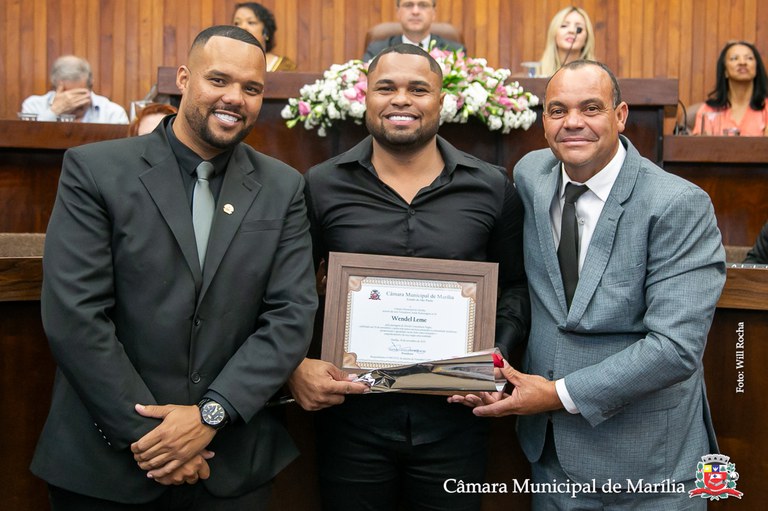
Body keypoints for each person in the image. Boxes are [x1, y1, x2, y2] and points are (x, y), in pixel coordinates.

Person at [31, 25, 317, 510]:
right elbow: (75, 315)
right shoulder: (94, 170)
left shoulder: (283, 186)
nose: (235, 98)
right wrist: (155, 440)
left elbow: (290, 316)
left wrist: (210, 415)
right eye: (218, 80)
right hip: (107, 464)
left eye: (251, 88)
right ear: (184, 78)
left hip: (230, 463)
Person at [450, 60, 726, 510]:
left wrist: (557, 394)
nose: (573, 122)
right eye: (558, 110)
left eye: (591, 108)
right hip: (548, 456)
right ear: (543, 121)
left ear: (621, 115)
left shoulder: (678, 204)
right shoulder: (531, 175)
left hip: (647, 460)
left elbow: (676, 348)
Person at [288, 44, 530, 511]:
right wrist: (295, 364)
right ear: (366, 98)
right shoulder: (320, 184)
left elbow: (516, 286)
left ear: (442, 101)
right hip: (350, 418)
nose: (401, 99)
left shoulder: (491, 186)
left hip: (457, 419)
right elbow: (288, 286)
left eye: (418, 89)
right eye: (386, 88)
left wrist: (493, 354)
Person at [21, 55, 129, 123]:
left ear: (91, 85)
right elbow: (27, 141)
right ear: (55, 88)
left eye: (79, 94)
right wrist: (54, 111)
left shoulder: (112, 113)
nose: (72, 102)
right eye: (67, 95)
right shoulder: (34, 106)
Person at [692, 40, 768, 136]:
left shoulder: (766, 107)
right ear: (725, 71)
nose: (742, 62)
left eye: (749, 58)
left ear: (756, 69)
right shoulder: (708, 110)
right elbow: (700, 144)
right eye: (734, 58)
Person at [362, 1, 464, 61]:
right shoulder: (376, 51)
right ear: (398, 12)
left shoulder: (455, 52)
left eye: (423, 5)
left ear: (434, 13)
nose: (415, 11)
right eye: (408, 5)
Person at [233, 2, 296, 71]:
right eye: (237, 23)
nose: (242, 27)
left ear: (266, 31)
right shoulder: (227, 64)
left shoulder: (284, 67)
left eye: (251, 22)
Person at [537, 6, 596, 77]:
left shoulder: (596, 75)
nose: (571, 31)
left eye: (579, 28)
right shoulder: (537, 73)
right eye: (564, 25)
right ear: (554, 34)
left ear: (586, 39)